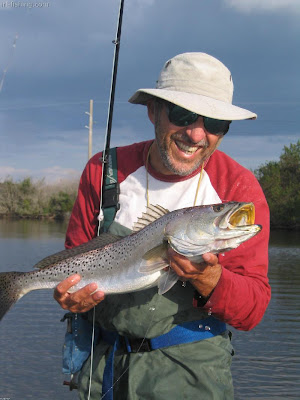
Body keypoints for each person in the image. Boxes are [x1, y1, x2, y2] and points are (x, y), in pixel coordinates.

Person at [54, 52, 271, 399]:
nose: (197, 134)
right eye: (183, 115)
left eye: (215, 123)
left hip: (193, 376)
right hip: (103, 366)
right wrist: (72, 297)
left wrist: (208, 278)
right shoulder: (104, 170)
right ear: (153, 111)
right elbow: (74, 261)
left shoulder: (239, 189)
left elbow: (253, 310)